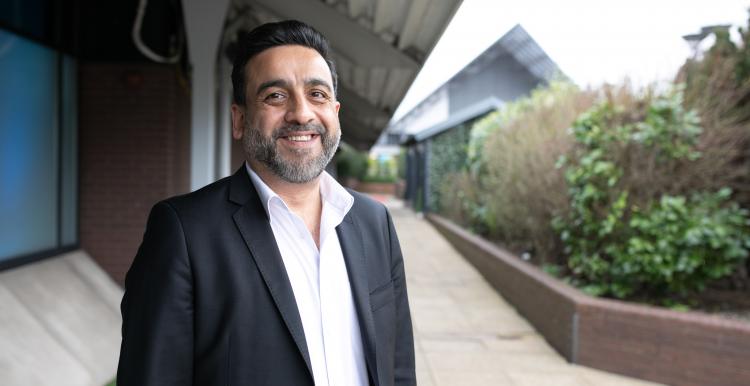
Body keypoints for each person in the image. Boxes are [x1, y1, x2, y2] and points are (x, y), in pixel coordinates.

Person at [116, 20, 415, 386]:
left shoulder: (375, 223)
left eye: (317, 94)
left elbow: (398, 369)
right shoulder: (182, 233)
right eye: (275, 96)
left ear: (335, 113)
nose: (302, 113)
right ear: (239, 119)